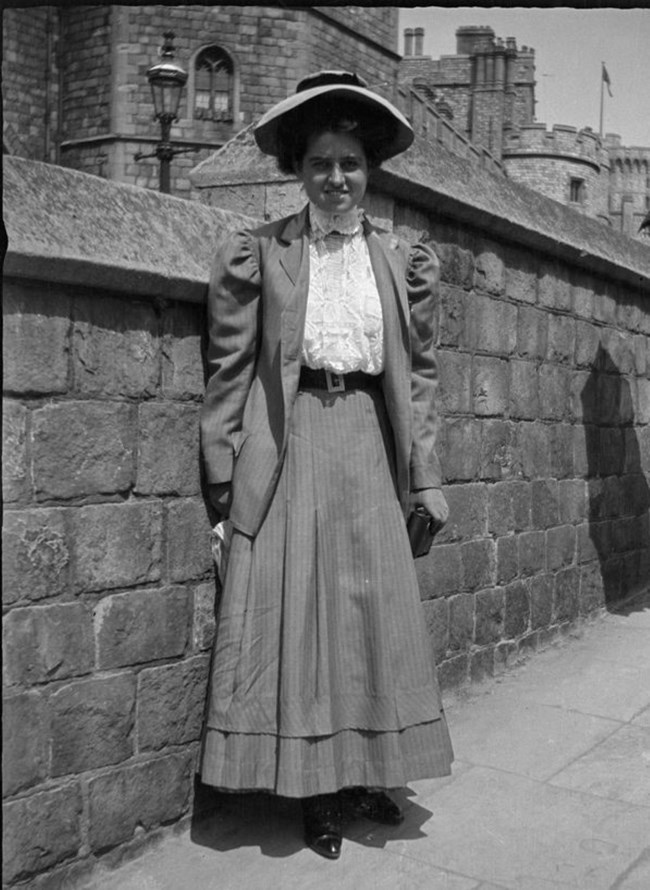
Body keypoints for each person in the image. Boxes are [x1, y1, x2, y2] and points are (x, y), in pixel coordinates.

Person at [199, 70, 453, 861]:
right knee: (304, 616)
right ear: (299, 172)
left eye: (349, 164)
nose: (336, 180)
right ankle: (312, 790)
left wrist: (426, 473)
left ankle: (363, 774)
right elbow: (231, 366)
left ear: (368, 171)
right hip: (296, 438)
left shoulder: (398, 258)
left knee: (366, 614)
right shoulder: (265, 253)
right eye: (321, 166)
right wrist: (221, 473)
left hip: (370, 442)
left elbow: (418, 372)